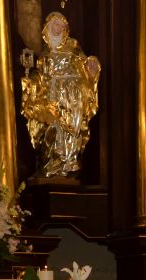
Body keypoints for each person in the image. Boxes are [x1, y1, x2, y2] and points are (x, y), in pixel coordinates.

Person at [20, 11, 101, 177]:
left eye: (62, 26)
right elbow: (40, 77)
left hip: (72, 95)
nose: (59, 28)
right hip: (53, 95)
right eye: (56, 24)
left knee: (72, 127)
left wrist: (92, 67)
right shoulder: (44, 53)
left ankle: (69, 161)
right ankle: (54, 162)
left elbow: (86, 65)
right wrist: (30, 83)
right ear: (48, 26)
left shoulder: (73, 46)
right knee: (54, 127)